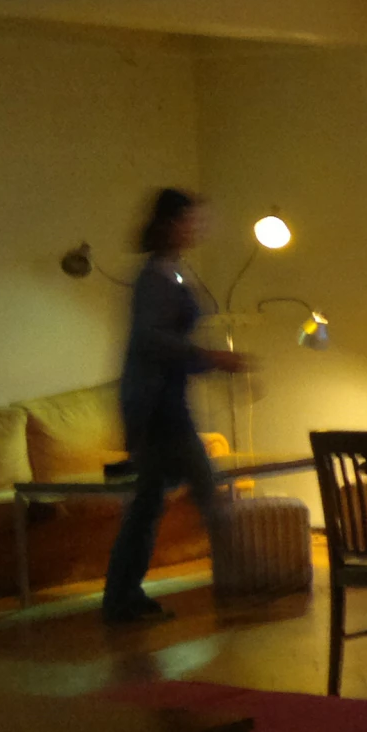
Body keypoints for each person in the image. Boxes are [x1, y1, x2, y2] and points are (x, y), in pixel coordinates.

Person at [101, 188, 247, 622]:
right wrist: (211, 359)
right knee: (207, 492)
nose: (195, 229)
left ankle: (121, 598)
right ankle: (243, 581)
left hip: (161, 403)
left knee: (146, 507)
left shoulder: (170, 272)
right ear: (168, 224)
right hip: (157, 409)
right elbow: (152, 341)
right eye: (188, 221)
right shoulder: (153, 278)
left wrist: (206, 360)